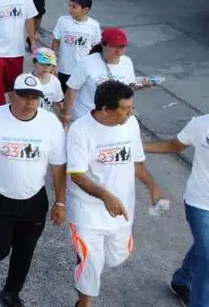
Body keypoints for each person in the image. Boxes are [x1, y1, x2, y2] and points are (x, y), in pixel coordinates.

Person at [0, 74, 67, 307]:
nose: (29, 102)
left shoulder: (51, 124)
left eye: (35, 97)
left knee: (25, 251)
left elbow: (58, 167)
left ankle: (12, 292)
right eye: (23, 96)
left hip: (33, 199)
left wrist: (60, 202)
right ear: (11, 94)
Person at [67, 80, 163, 307]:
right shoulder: (80, 130)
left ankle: (89, 264)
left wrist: (152, 185)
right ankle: (84, 302)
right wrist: (106, 196)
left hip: (122, 210)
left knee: (115, 258)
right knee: (91, 263)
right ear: (106, 110)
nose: (132, 113)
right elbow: (77, 174)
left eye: (132, 107)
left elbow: (137, 163)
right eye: (126, 109)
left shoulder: (131, 124)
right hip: (86, 211)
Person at [143, 113, 209, 307]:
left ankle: (182, 281)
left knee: (204, 248)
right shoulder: (201, 124)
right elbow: (174, 145)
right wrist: (136, 146)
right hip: (201, 204)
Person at [62, 28, 158, 122]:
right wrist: (66, 116)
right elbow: (72, 90)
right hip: (86, 116)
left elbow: (128, 88)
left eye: (122, 47)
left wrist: (143, 85)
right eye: (115, 47)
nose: (119, 52)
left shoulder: (127, 61)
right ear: (104, 44)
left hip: (114, 117)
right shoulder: (87, 62)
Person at [52, 0, 101, 89]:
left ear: (85, 10)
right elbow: (56, 41)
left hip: (83, 70)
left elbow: (96, 47)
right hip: (64, 69)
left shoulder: (94, 25)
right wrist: (53, 63)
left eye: (74, 7)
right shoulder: (62, 21)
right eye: (69, 6)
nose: (70, 9)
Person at [32, 47, 66, 123]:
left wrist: (60, 122)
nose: (46, 67)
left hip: (46, 119)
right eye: (42, 64)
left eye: (49, 65)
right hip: (30, 118)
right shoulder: (28, 80)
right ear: (34, 63)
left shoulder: (55, 82)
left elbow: (57, 104)